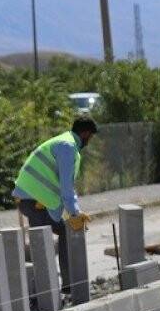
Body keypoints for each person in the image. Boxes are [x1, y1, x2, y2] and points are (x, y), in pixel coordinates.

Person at [13, 117, 98, 294]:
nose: (89, 142)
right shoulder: (68, 147)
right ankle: (51, 291)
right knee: (48, 241)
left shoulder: (64, 142)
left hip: (34, 201)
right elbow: (66, 187)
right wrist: (74, 214)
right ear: (85, 134)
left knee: (53, 237)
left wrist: (76, 212)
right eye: (90, 138)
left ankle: (48, 290)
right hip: (33, 202)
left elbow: (67, 187)